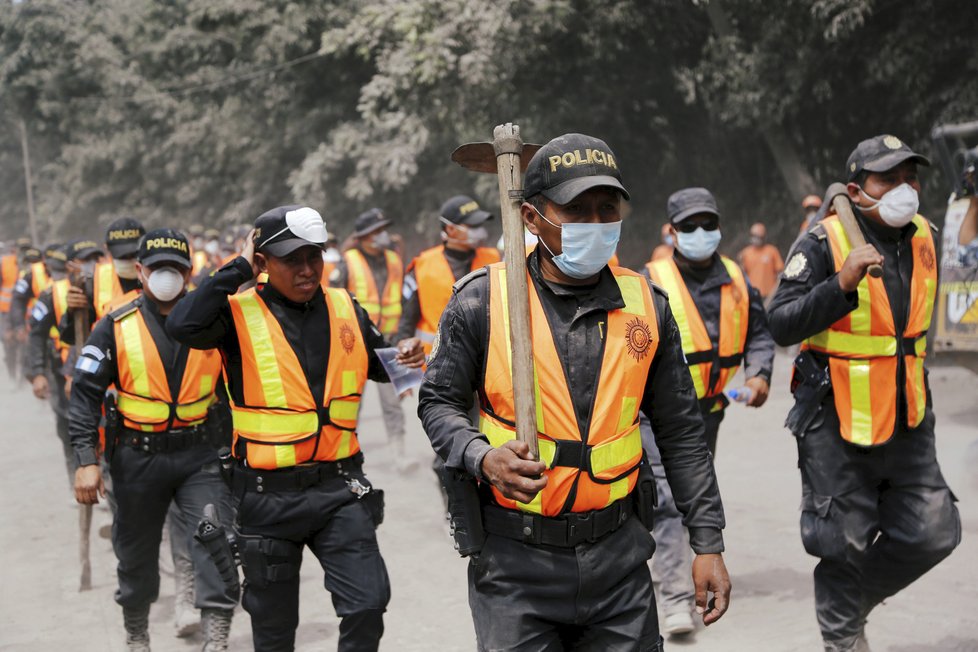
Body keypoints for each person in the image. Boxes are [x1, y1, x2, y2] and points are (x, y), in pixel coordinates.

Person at [419, 133, 731, 651]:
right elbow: (438, 402)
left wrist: (708, 542)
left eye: (605, 209)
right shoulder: (483, 301)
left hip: (619, 559)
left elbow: (681, 432)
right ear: (532, 218)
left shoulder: (647, 305)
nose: (594, 224)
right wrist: (481, 456)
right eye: (575, 210)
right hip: (514, 563)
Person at [166, 205, 424, 651]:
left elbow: (382, 367)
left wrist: (408, 355)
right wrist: (239, 266)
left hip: (340, 490)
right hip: (266, 499)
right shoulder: (235, 314)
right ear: (263, 263)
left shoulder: (345, 307)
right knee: (274, 633)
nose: (306, 270)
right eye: (291, 259)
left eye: (314, 256)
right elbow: (182, 323)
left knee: (368, 604)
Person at [768, 134, 961, 652]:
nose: (905, 188)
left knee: (935, 531)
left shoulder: (925, 235)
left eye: (910, 177)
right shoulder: (822, 242)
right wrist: (840, 285)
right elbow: (780, 322)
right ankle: (843, 638)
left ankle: (849, 604)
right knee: (842, 544)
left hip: (909, 416)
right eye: (889, 179)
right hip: (835, 419)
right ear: (857, 191)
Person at [70, 229, 238, 651]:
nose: (168, 276)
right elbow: (86, 392)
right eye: (158, 268)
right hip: (136, 458)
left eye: (177, 268)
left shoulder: (217, 321)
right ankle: (137, 634)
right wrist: (85, 459)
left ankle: (216, 637)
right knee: (137, 556)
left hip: (200, 454)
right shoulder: (115, 324)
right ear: (140, 271)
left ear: (190, 271)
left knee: (214, 541)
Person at [642, 187, 773, 635]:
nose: (700, 233)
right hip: (656, 415)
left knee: (691, 495)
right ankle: (676, 598)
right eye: (689, 226)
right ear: (672, 232)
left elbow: (759, 332)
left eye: (708, 224)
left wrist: (759, 374)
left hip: (710, 411)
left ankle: (674, 570)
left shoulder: (738, 278)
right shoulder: (650, 280)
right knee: (666, 500)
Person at [328, 208, 410, 464]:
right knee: (350, 399)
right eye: (377, 231)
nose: (383, 235)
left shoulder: (394, 260)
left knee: (392, 401)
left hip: (388, 340)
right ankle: (343, 451)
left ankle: (399, 453)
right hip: (352, 343)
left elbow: (404, 299)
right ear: (364, 236)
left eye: (383, 229)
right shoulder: (347, 262)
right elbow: (331, 300)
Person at [395, 194, 500, 357]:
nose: (480, 230)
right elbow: (406, 323)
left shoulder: (495, 260)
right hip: (434, 367)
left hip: (485, 362)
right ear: (450, 229)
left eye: (480, 225)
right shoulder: (422, 266)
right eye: (473, 225)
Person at [25, 243, 74, 488]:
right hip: (59, 370)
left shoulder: (96, 289)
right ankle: (74, 477)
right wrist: (36, 372)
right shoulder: (50, 294)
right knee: (67, 427)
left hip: (95, 373)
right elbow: (36, 334)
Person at [61, 217, 145, 342]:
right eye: (122, 256)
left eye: (133, 254)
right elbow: (70, 337)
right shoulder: (94, 283)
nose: (129, 260)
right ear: (108, 250)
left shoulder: (157, 275)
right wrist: (72, 313)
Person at [737, 221, 784, 300]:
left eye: (759, 237)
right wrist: (740, 263)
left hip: (770, 295)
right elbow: (741, 275)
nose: (756, 239)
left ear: (763, 237)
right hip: (752, 295)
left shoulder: (772, 251)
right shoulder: (745, 253)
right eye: (754, 236)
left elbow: (780, 272)